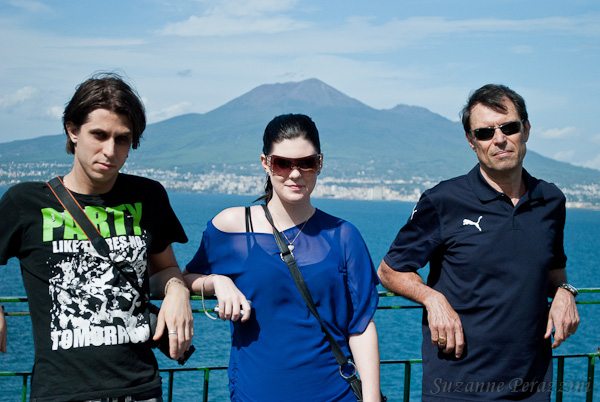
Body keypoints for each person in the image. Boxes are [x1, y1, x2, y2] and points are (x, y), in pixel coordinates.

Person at [378, 84, 580, 401]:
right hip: (457, 387)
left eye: (509, 128)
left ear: (525, 130)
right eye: (485, 133)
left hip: (532, 387)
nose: (499, 139)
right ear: (472, 142)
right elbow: (390, 271)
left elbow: (554, 270)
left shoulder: (551, 200)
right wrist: (433, 299)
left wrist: (565, 293)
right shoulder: (443, 201)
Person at [0, 72, 193, 402]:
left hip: (141, 389)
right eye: (99, 135)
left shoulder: (149, 196)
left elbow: (164, 269)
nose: (110, 150)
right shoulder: (25, 203)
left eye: (122, 139)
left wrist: (177, 291)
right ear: (72, 130)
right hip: (62, 393)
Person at [183, 114, 381, 402]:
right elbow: (187, 278)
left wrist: (372, 399)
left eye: (306, 163)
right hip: (255, 394)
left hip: (335, 394)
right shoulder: (233, 227)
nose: (295, 173)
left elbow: (361, 325)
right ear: (265, 163)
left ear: (320, 163)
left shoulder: (344, 236)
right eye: (282, 163)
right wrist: (217, 282)